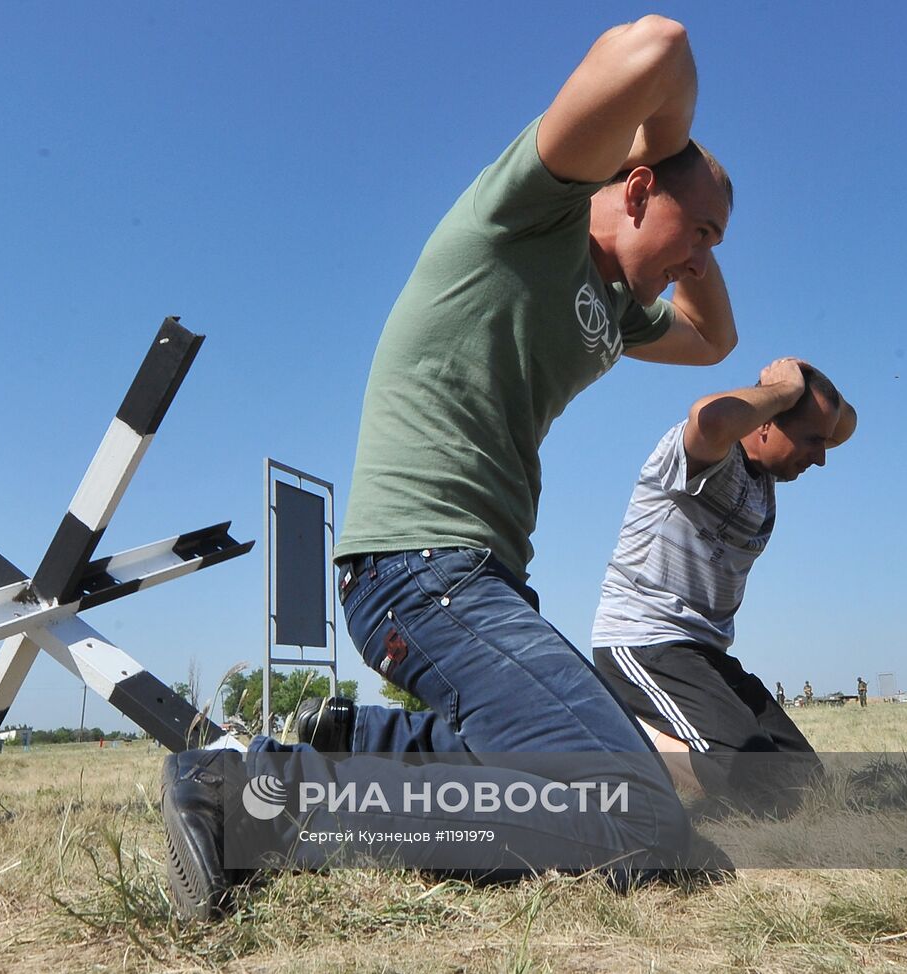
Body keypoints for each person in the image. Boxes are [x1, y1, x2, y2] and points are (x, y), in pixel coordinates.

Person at [162, 15, 738, 918]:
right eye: (698, 233)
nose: (704, 260)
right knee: (635, 818)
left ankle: (354, 740)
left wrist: (694, 214)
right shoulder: (526, 214)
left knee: (591, 774)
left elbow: (715, 340)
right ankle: (250, 805)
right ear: (632, 189)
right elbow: (658, 43)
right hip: (424, 571)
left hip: (477, 581)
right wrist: (671, 155)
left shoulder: (617, 308)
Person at [592, 359, 855, 816]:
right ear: (766, 422)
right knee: (760, 792)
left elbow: (844, 424)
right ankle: (625, 738)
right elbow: (710, 417)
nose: (823, 456)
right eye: (813, 440)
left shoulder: (765, 481)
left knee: (809, 784)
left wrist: (802, 374)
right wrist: (785, 387)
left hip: (706, 654)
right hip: (644, 641)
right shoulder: (707, 457)